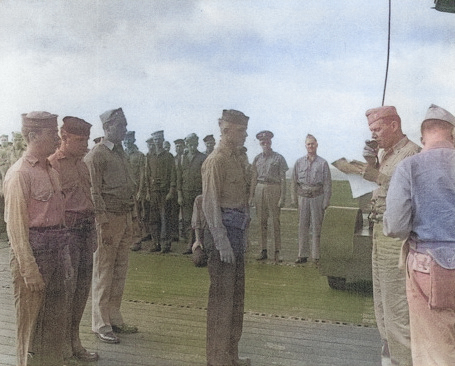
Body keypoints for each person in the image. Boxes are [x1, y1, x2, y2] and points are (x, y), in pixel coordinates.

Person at [383, 104, 455, 366]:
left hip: (428, 271)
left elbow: (396, 226)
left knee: (433, 354)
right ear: (452, 134)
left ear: (424, 135)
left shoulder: (409, 167)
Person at [3, 111, 68, 366]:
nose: (58, 139)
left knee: (54, 324)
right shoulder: (19, 174)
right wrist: (29, 271)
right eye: (53, 134)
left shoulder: (51, 170)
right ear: (33, 136)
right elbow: (17, 229)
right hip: (33, 257)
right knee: (30, 326)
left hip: (56, 253)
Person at [361, 105, 420, 366]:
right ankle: (389, 357)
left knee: (396, 305)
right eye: (371, 130)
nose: (373, 135)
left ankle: (403, 360)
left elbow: (407, 193)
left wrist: (376, 174)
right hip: (379, 232)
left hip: (395, 238)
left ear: (394, 125)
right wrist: (373, 163)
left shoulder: (411, 154)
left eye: (377, 129)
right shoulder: (387, 154)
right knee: (382, 303)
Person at [84, 107, 138, 344]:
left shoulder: (120, 153)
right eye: (120, 126)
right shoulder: (97, 155)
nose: (124, 130)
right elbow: (94, 191)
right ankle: (100, 323)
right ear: (107, 128)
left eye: (125, 125)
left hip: (124, 217)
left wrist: (133, 217)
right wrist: (102, 223)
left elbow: (128, 186)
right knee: (104, 272)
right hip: (108, 220)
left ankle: (114, 317)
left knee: (120, 271)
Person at [202, 109, 251, 366]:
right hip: (223, 234)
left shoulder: (238, 158)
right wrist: (222, 244)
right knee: (222, 302)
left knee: (235, 300)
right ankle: (217, 359)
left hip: (237, 232)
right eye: (241, 130)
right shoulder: (216, 161)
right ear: (226, 129)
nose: (245, 135)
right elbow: (210, 206)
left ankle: (231, 355)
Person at [48, 116, 99, 362]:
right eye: (80, 140)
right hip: (66, 235)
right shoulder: (53, 165)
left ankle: (75, 341)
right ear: (63, 138)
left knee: (81, 292)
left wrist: (95, 233)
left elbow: (88, 202)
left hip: (86, 232)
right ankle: (63, 347)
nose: (85, 145)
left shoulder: (82, 165)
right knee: (65, 294)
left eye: (87, 140)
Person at [291, 134, 331, 265]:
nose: (310, 146)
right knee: (302, 226)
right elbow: (294, 181)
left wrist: (326, 201)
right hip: (303, 196)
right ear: (305, 146)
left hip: (317, 197)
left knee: (317, 227)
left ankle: (316, 255)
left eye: (312, 144)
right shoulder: (299, 162)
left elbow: (327, 183)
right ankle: (302, 254)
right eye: (308, 144)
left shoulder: (323, 163)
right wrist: (294, 199)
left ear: (317, 145)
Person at [249, 130, 288, 263]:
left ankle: (278, 251)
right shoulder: (257, 158)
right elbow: (254, 178)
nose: (265, 144)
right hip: (260, 188)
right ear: (260, 143)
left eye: (267, 141)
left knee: (275, 221)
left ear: (270, 142)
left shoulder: (278, 158)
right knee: (261, 221)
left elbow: (283, 179)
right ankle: (263, 250)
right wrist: (251, 196)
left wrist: (283, 197)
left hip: (274, 188)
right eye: (262, 142)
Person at [144, 130, 177, 253]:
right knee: (153, 219)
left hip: (164, 192)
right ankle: (155, 243)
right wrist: (147, 192)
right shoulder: (149, 157)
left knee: (165, 219)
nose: (157, 142)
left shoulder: (168, 157)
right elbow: (147, 175)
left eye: (159, 139)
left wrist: (171, 191)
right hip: (153, 192)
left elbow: (173, 174)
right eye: (155, 140)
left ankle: (165, 245)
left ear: (163, 140)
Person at [178, 133, 207, 254]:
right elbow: (179, 177)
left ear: (197, 144)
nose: (192, 146)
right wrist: (179, 194)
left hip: (199, 193)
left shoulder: (202, 157)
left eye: (194, 143)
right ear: (187, 144)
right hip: (185, 193)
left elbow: (205, 177)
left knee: (199, 220)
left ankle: (200, 244)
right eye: (190, 144)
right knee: (187, 220)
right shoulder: (183, 158)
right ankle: (190, 244)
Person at [123, 131, 146, 252]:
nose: (127, 142)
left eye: (129, 140)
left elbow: (142, 174)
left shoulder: (139, 155)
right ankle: (128, 240)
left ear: (133, 141)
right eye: (125, 140)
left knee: (136, 216)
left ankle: (137, 241)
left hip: (135, 190)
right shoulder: (121, 154)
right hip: (123, 191)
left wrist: (140, 191)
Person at [191, 194, 208, 267]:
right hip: (203, 236)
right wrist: (197, 240)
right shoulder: (199, 200)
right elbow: (196, 222)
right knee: (198, 260)